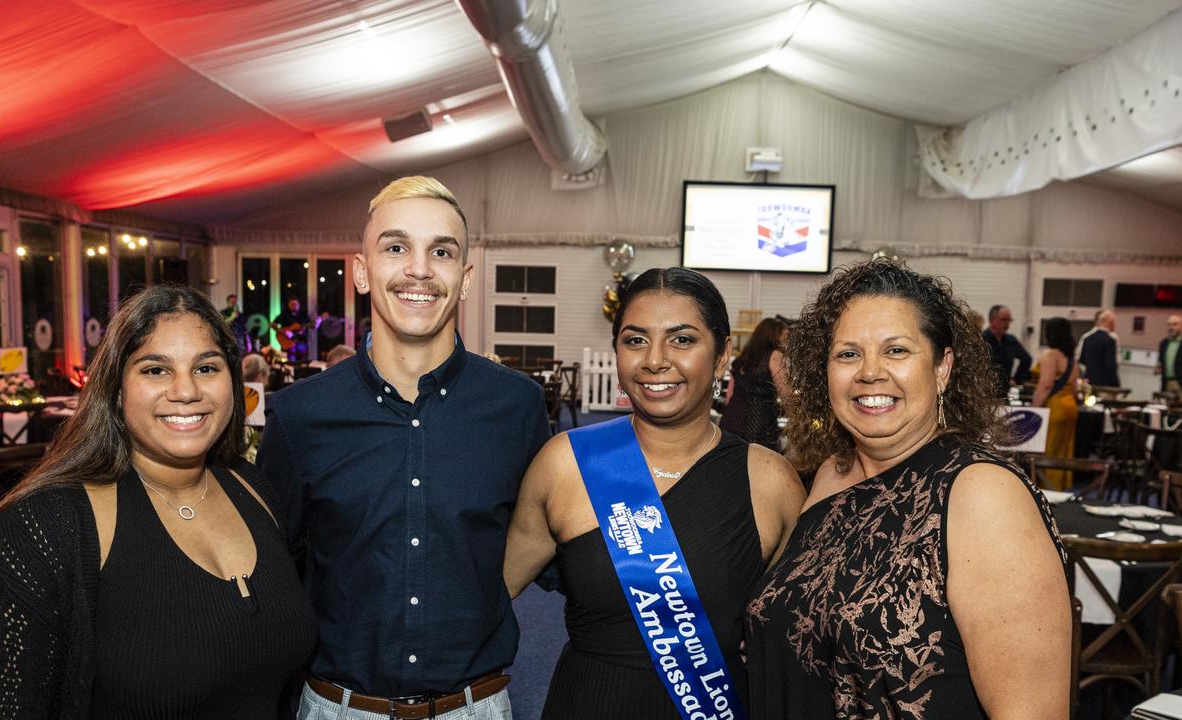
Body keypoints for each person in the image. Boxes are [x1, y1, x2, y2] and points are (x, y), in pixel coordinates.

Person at [258, 176, 550, 720]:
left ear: (464, 280)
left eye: (441, 252)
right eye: (396, 247)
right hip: (338, 709)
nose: (419, 268)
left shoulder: (518, 408)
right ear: (362, 272)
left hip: (476, 709)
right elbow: (275, 578)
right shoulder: (299, 415)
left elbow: (554, 545)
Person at [0, 285, 317, 720]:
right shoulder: (39, 530)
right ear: (114, 388)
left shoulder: (253, 488)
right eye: (155, 370)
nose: (186, 390)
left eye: (207, 367)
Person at [746, 259, 1069, 719]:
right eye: (848, 354)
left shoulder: (982, 495)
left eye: (896, 351)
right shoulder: (829, 477)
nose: (869, 372)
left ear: (942, 368)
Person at [504, 268, 804, 719]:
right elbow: (488, 595)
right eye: (635, 340)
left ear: (722, 356)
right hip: (589, 702)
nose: (655, 360)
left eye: (682, 340)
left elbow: (801, 636)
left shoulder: (771, 481)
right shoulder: (566, 463)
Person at [719, 317, 788, 451]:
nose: (786, 342)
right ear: (773, 336)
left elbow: (729, 396)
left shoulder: (743, 358)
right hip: (759, 425)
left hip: (730, 421)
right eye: (784, 337)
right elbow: (786, 393)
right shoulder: (775, 355)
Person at [1034, 318, 1079, 490]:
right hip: (1070, 406)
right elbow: (1075, 387)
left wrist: (1035, 409)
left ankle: (1047, 488)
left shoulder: (1050, 355)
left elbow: (1045, 385)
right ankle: (1060, 487)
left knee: (1049, 451)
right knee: (1064, 451)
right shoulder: (1071, 358)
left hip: (1054, 408)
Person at [982, 304, 1031, 398]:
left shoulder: (1011, 340)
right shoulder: (981, 339)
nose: (1007, 323)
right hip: (984, 391)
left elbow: (1026, 359)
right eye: (1004, 320)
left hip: (1004, 391)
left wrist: (1016, 379)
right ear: (992, 320)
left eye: (1009, 320)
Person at [1077, 309, 1120, 388]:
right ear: (1111, 323)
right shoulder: (1110, 340)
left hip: (1089, 379)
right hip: (1105, 382)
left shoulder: (1087, 338)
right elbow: (1110, 365)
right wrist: (1116, 384)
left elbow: (1081, 359)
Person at [273, 296, 312, 362]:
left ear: (299, 305)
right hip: (288, 342)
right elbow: (273, 324)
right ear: (289, 305)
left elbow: (310, 325)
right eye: (292, 304)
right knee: (291, 361)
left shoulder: (303, 315)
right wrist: (283, 332)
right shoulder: (284, 315)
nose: (294, 306)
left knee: (304, 361)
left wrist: (315, 323)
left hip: (301, 341)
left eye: (296, 304)